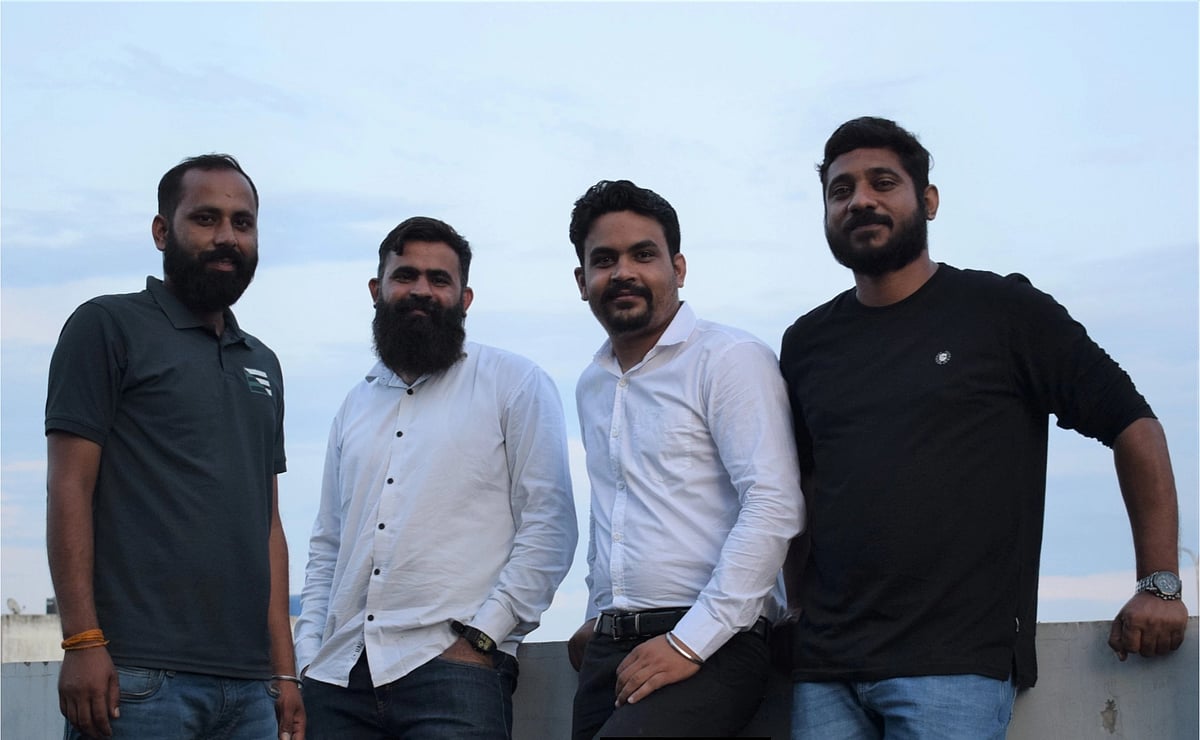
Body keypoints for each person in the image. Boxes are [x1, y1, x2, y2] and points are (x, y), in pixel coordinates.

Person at [781, 116, 1189, 739]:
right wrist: (796, 606)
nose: (859, 200)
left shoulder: (1004, 313)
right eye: (840, 191)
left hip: (956, 666)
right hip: (826, 671)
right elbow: (802, 488)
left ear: (929, 201)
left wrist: (1158, 585)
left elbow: (1133, 424)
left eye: (882, 182)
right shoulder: (806, 342)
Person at [45, 154, 304, 740]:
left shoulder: (262, 363)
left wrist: (284, 675)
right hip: (136, 680)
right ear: (162, 231)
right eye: (205, 219)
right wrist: (82, 640)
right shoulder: (106, 326)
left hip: (249, 689)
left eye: (243, 223)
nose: (226, 237)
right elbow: (68, 486)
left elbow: (268, 525)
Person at [294, 216, 577, 739]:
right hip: (336, 681)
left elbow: (550, 528)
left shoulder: (515, 384)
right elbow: (328, 546)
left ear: (464, 298)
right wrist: (308, 654)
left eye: (439, 280)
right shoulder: (354, 406)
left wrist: (481, 641)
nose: (421, 290)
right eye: (406, 276)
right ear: (378, 289)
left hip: (455, 673)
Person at [567, 179, 805, 738]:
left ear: (678, 267)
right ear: (583, 282)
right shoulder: (592, 385)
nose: (623, 272)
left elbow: (773, 505)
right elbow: (615, 511)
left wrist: (689, 640)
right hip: (611, 647)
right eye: (604, 260)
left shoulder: (729, 359)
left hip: (710, 640)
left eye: (642, 254)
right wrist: (598, 612)